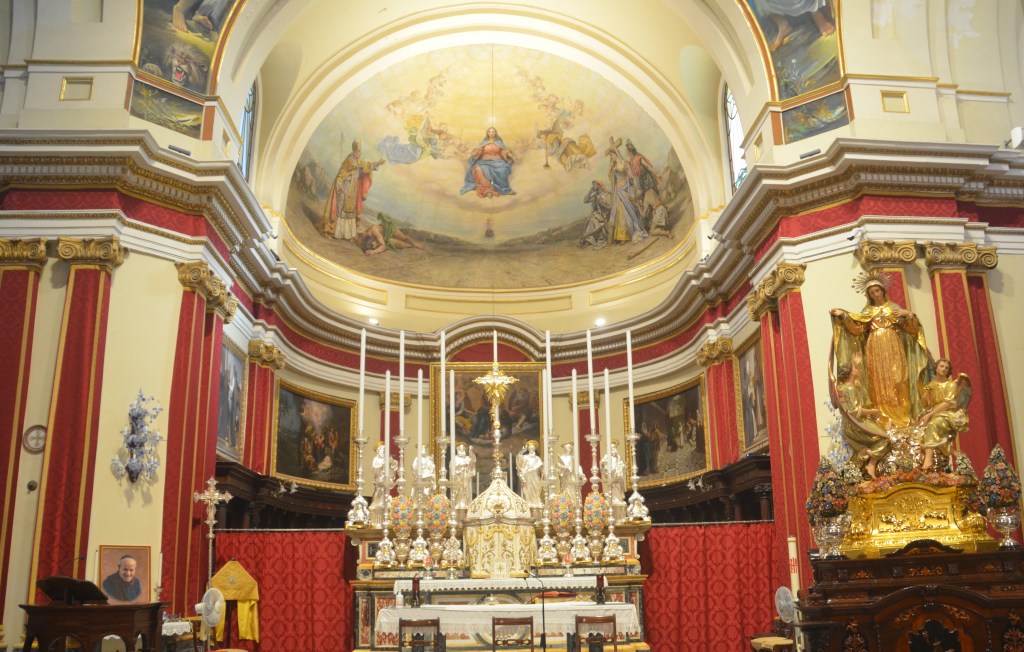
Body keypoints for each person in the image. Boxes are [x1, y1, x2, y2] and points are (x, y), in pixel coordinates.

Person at [830, 271, 931, 428]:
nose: (875, 294)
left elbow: (912, 329)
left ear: (883, 291)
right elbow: (857, 328)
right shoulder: (867, 312)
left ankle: (903, 417)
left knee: (898, 379)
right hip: (874, 347)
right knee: (878, 381)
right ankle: (883, 418)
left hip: (893, 346)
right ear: (869, 296)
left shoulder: (894, 308)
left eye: (877, 291)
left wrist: (909, 315)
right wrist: (843, 316)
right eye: (872, 293)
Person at [832, 353, 889, 478]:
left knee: (878, 438)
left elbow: (859, 382)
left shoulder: (846, 387)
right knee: (884, 438)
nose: (858, 371)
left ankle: (865, 454)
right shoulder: (850, 389)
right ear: (850, 374)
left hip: (850, 424)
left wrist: (856, 364)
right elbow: (854, 411)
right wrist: (874, 411)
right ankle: (871, 463)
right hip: (856, 424)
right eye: (855, 369)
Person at [321, 139, 385, 240]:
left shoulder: (359, 161)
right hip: (346, 187)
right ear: (353, 151)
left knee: (351, 211)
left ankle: (348, 235)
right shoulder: (349, 160)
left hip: (354, 189)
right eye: (357, 151)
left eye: (359, 152)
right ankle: (337, 233)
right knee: (342, 209)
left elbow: (367, 166)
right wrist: (339, 185)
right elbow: (341, 174)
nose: (358, 153)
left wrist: (377, 163)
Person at [918, 358, 971, 471]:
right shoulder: (931, 385)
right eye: (941, 366)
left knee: (933, 425)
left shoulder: (951, 385)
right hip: (932, 413)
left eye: (946, 368)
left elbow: (947, 404)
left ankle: (928, 460)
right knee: (919, 431)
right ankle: (958, 456)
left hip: (947, 415)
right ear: (936, 368)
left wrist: (929, 415)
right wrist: (925, 398)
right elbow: (925, 404)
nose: (944, 369)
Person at [605, 139, 648, 245]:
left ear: (616, 154)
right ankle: (622, 236)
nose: (611, 157)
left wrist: (628, 179)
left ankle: (632, 232)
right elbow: (612, 179)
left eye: (612, 155)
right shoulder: (614, 166)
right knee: (620, 211)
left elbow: (630, 176)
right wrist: (610, 172)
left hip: (625, 189)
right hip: (618, 191)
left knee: (629, 212)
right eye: (610, 156)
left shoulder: (624, 163)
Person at [460, 126, 516, 197]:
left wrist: (511, 156)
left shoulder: (499, 142)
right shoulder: (484, 143)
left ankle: (504, 189)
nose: (491, 133)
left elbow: (504, 151)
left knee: (502, 170)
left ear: (495, 133)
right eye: (490, 132)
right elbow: (479, 150)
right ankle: (487, 190)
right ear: (487, 133)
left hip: (498, 162)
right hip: (484, 162)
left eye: (493, 132)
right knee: (478, 169)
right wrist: (473, 154)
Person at [358, 213, 424, 256]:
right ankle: (409, 245)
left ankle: (415, 244)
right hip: (383, 236)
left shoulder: (375, 232)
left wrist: (373, 252)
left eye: (373, 244)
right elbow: (363, 243)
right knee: (399, 244)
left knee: (404, 237)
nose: (374, 245)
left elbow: (383, 246)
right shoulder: (365, 236)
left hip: (389, 229)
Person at [369, 442, 396, 527]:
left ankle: (387, 514)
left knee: (386, 497)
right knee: (378, 496)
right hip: (379, 482)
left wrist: (392, 463)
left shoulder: (387, 458)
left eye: (384, 450)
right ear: (378, 451)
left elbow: (393, 468)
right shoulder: (376, 459)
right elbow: (375, 470)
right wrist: (382, 465)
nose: (383, 451)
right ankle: (376, 516)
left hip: (386, 481)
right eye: (381, 449)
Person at [556, 442, 586, 509]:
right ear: (564, 447)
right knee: (566, 492)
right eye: (568, 447)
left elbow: (578, 467)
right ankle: (566, 506)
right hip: (565, 479)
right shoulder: (561, 458)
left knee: (574, 494)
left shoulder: (573, 458)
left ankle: (574, 507)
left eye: (571, 447)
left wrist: (582, 475)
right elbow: (558, 468)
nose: (570, 448)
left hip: (573, 478)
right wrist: (563, 468)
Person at [516, 440, 544, 509]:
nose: (532, 449)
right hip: (527, 476)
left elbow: (540, 467)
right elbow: (519, 460)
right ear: (528, 449)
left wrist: (538, 469)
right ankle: (529, 501)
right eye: (530, 448)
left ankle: (536, 501)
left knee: (536, 488)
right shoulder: (525, 457)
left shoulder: (537, 458)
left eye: (533, 448)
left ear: (535, 449)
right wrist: (521, 452)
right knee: (528, 488)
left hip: (535, 476)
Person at [451, 442, 476, 510]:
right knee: (458, 491)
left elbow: (473, 461)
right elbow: (452, 469)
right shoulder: (454, 459)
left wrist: (471, 452)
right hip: (458, 478)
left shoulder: (467, 458)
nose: (462, 451)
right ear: (457, 450)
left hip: (466, 478)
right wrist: (459, 469)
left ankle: (465, 503)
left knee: (466, 490)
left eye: (463, 450)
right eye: (460, 449)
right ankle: (458, 503)